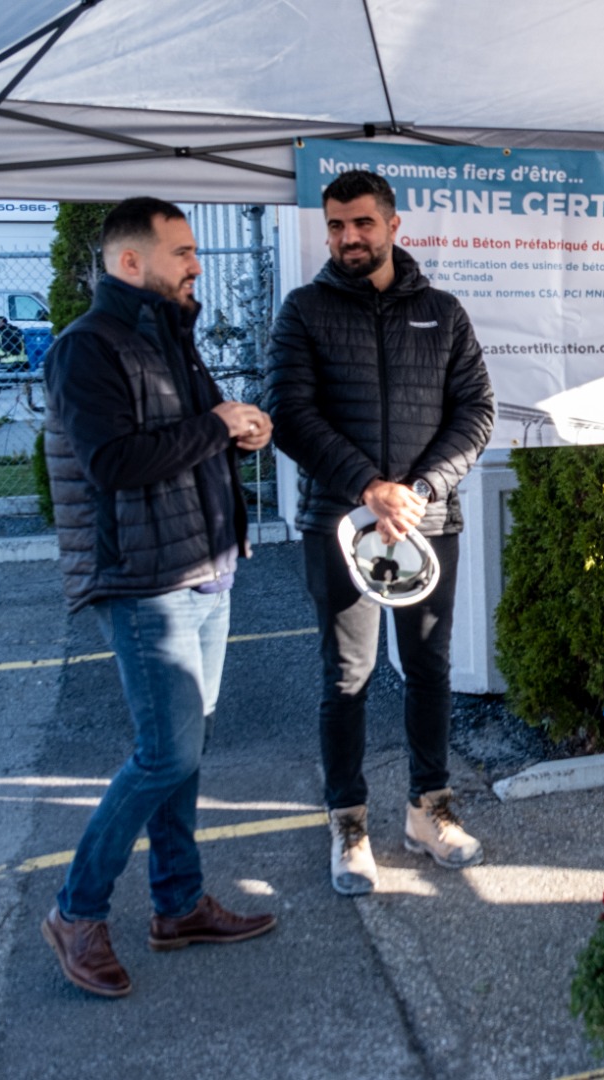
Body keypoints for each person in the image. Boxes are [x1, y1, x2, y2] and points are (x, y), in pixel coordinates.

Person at [41, 197, 277, 998]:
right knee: (165, 754)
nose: (196, 264)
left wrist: (236, 428)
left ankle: (178, 904)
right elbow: (113, 461)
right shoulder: (86, 349)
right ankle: (76, 910)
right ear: (129, 262)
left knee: (185, 750)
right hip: (147, 584)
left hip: (207, 570)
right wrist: (216, 425)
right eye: (181, 251)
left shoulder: (169, 335)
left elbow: (187, 437)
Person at [264, 170, 495, 894]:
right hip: (340, 528)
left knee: (429, 670)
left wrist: (420, 491)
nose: (348, 238)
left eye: (361, 223)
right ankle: (348, 822)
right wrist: (369, 488)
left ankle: (429, 811)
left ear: (394, 225)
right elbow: (291, 413)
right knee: (347, 677)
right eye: (335, 226)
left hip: (427, 525)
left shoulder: (444, 312)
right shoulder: (303, 312)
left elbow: (477, 412)